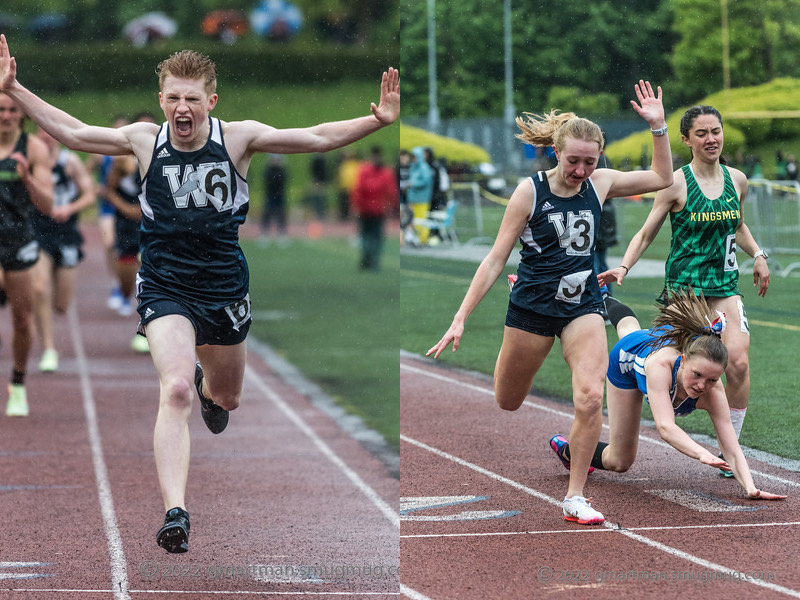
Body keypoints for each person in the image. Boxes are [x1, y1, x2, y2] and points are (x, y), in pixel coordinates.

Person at [0, 34, 399, 552]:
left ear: (211, 101)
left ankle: (210, 389)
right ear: (161, 99)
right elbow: (74, 132)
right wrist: (17, 89)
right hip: (165, 285)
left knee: (225, 396)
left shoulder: (238, 139)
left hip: (225, 288)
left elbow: (318, 137)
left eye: (191, 98)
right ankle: (176, 512)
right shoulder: (145, 141)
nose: (180, 108)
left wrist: (378, 120)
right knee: (174, 390)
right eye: (172, 98)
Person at [426, 81, 674, 526]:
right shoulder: (529, 192)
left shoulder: (601, 184)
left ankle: (576, 496)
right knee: (507, 399)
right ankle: (566, 460)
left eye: (590, 161)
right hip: (532, 307)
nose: (581, 170)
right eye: (573, 160)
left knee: (588, 396)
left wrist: (659, 127)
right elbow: (494, 259)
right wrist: (459, 318)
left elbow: (661, 178)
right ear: (556, 153)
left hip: (583, 305)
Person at [598, 105, 770, 476]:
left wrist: (757, 253)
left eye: (716, 131)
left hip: (724, 286)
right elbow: (647, 231)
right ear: (687, 140)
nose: (712, 139)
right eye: (703, 133)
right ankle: (614, 312)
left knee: (737, 360)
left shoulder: (737, 179)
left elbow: (737, 226)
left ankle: (731, 450)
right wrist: (624, 267)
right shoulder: (675, 182)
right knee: (665, 357)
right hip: (685, 296)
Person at [551, 289, 786, 502]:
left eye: (712, 379)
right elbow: (665, 427)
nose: (702, 385)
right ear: (682, 361)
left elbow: (732, 448)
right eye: (697, 375)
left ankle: (606, 297)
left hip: (657, 344)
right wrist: (702, 453)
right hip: (627, 362)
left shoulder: (712, 390)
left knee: (631, 330)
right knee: (619, 461)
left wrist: (750, 487)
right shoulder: (660, 368)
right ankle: (569, 451)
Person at [0, 91, 53, 416]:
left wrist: (27, 178)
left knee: (22, 319)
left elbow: (48, 205)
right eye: (0, 110)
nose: (5, 116)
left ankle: (17, 384)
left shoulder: (32, 149)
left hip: (19, 239)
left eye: (11, 110)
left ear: (22, 115)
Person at [30, 127, 96, 372]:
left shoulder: (69, 162)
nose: (45, 138)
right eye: (40, 134)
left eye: (49, 134)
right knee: (39, 287)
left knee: (61, 305)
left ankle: (51, 322)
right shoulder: (29, 160)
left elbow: (90, 195)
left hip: (66, 233)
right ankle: (48, 348)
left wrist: (69, 208)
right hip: (37, 231)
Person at [85, 115, 130, 311]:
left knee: (133, 249)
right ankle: (116, 283)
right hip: (107, 206)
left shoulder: (134, 154)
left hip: (128, 207)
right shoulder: (101, 154)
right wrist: (93, 187)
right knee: (110, 243)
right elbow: (85, 171)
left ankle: (128, 283)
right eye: (117, 129)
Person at [351, 145, 398, 270]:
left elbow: (390, 192)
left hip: (375, 209)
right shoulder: (380, 172)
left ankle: (369, 260)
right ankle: (370, 260)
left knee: (371, 235)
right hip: (371, 209)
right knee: (370, 236)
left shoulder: (368, 171)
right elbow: (359, 190)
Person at [407, 146, 434, 244]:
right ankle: (417, 238)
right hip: (414, 198)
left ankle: (423, 239)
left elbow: (425, 181)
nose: (413, 158)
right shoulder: (414, 167)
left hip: (422, 199)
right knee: (415, 220)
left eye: (415, 156)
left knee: (421, 220)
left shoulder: (424, 167)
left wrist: (413, 183)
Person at [260, 154, 289, 245]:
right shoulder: (268, 170)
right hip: (270, 195)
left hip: (280, 195)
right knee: (267, 214)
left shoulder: (282, 170)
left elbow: (283, 181)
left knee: (281, 215)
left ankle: (282, 234)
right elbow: (268, 182)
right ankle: (265, 234)